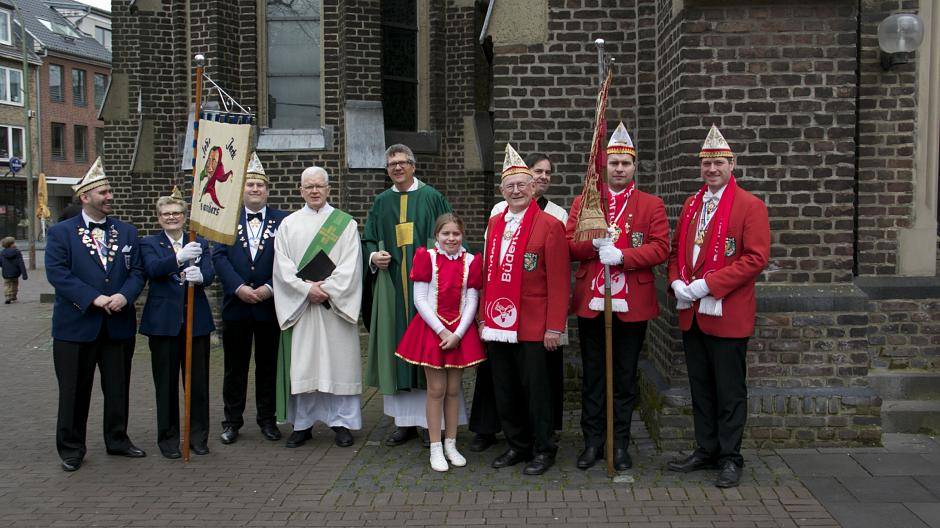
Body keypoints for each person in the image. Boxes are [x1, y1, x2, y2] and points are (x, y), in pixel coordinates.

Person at [666, 125, 770, 488]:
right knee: (701, 387)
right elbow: (679, 249)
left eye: (719, 163)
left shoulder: (750, 206)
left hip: (727, 314)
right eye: (707, 163)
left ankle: (730, 456)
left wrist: (708, 285)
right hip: (693, 313)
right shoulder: (692, 204)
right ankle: (706, 449)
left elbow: (755, 258)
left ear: (732, 164)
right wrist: (677, 279)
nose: (712, 169)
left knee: (729, 391)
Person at [566, 123, 669, 471]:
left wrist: (624, 256)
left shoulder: (651, 204)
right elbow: (569, 245)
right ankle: (593, 442)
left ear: (634, 166)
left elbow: (660, 248)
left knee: (624, 377)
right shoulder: (586, 200)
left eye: (625, 163)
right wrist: (592, 247)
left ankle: (619, 443)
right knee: (593, 375)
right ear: (605, 166)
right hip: (592, 303)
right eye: (614, 163)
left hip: (631, 304)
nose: (619, 169)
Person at [45, 157, 147, 471]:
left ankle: (117, 439)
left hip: (117, 324)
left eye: (109, 191)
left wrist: (123, 296)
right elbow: (58, 274)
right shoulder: (61, 233)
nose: (109, 197)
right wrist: (94, 299)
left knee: (118, 387)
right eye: (103, 192)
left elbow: (138, 271)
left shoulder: (127, 231)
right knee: (74, 390)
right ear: (85, 197)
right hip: (76, 327)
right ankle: (71, 448)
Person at [479, 144, 570, 476]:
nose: (516, 190)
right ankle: (517, 445)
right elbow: (489, 272)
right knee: (505, 388)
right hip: (499, 323)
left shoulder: (550, 226)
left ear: (533, 187)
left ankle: (543, 448)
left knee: (537, 392)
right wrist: (482, 319)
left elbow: (560, 281)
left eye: (522, 184)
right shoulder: (495, 223)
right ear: (502, 191)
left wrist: (554, 327)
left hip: (534, 324)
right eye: (509, 186)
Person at [363, 144, 460, 448]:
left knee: (430, 352)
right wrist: (373, 256)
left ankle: (433, 425)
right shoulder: (381, 202)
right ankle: (404, 423)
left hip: (430, 292)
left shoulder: (432, 197)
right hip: (393, 290)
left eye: (403, 162)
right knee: (398, 350)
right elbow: (367, 238)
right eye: (392, 164)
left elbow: (451, 233)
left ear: (413, 166)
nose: (397, 168)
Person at [273, 166, 363, 448]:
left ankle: (343, 423)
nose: (314, 191)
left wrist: (326, 291)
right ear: (300, 190)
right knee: (305, 365)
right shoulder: (288, 224)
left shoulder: (345, 223)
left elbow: (351, 266)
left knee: (339, 365)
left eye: (319, 186)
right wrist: (305, 290)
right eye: (308, 186)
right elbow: (282, 267)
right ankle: (303, 424)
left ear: (328, 189)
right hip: (303, 308)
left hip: (333, 308)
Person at [395, 213, 485, 472]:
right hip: (432, 331)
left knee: (454, 390)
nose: (451, 238)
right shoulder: (427, 258)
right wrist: (442, 331)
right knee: (436, 390)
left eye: (456, 234)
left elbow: (471, 300)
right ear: (437, 236)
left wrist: (457, 334)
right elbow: (420, 299)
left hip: (459, 331)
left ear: (462, 235)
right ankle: (435, 446)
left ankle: (451, 443)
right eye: (446, 234)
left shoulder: (470, 261)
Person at [212, 153, 289, 445]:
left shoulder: (284, 220)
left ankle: (267, 420)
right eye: (250, 184)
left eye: (260, 185)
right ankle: (232, 421)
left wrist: (271, 286)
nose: (255, 189)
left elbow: (289, 260)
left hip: (270, 306)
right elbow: (218, 256)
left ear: (267, 190)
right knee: (235, 368)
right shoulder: (226, 219)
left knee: (267, 367)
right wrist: (237, 287)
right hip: (236, 306)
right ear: (241, 189)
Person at [139, 187, 215, 459]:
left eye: (177, 213)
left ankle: (198, 436)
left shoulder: (200, 241)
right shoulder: (148, 244)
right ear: (159, 218)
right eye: (166, 214)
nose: (172, 218)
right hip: (163, 323)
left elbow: (210, 274)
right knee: (166, 384)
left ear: (185, 216)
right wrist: (178, 258)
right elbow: (152, 270)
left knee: (197, 384)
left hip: (197, 322)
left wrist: (200, 276)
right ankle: (169, 438)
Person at [1, 236, 27, 303]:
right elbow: (21, 263)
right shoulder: (17, 252)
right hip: (15, 273)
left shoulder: (2, 253)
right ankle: (13, 296)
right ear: (12, 244)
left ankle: (7, 296)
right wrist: (24, 274)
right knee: (15, 284)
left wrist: (3, 266)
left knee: (7, 284)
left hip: (6, 272)